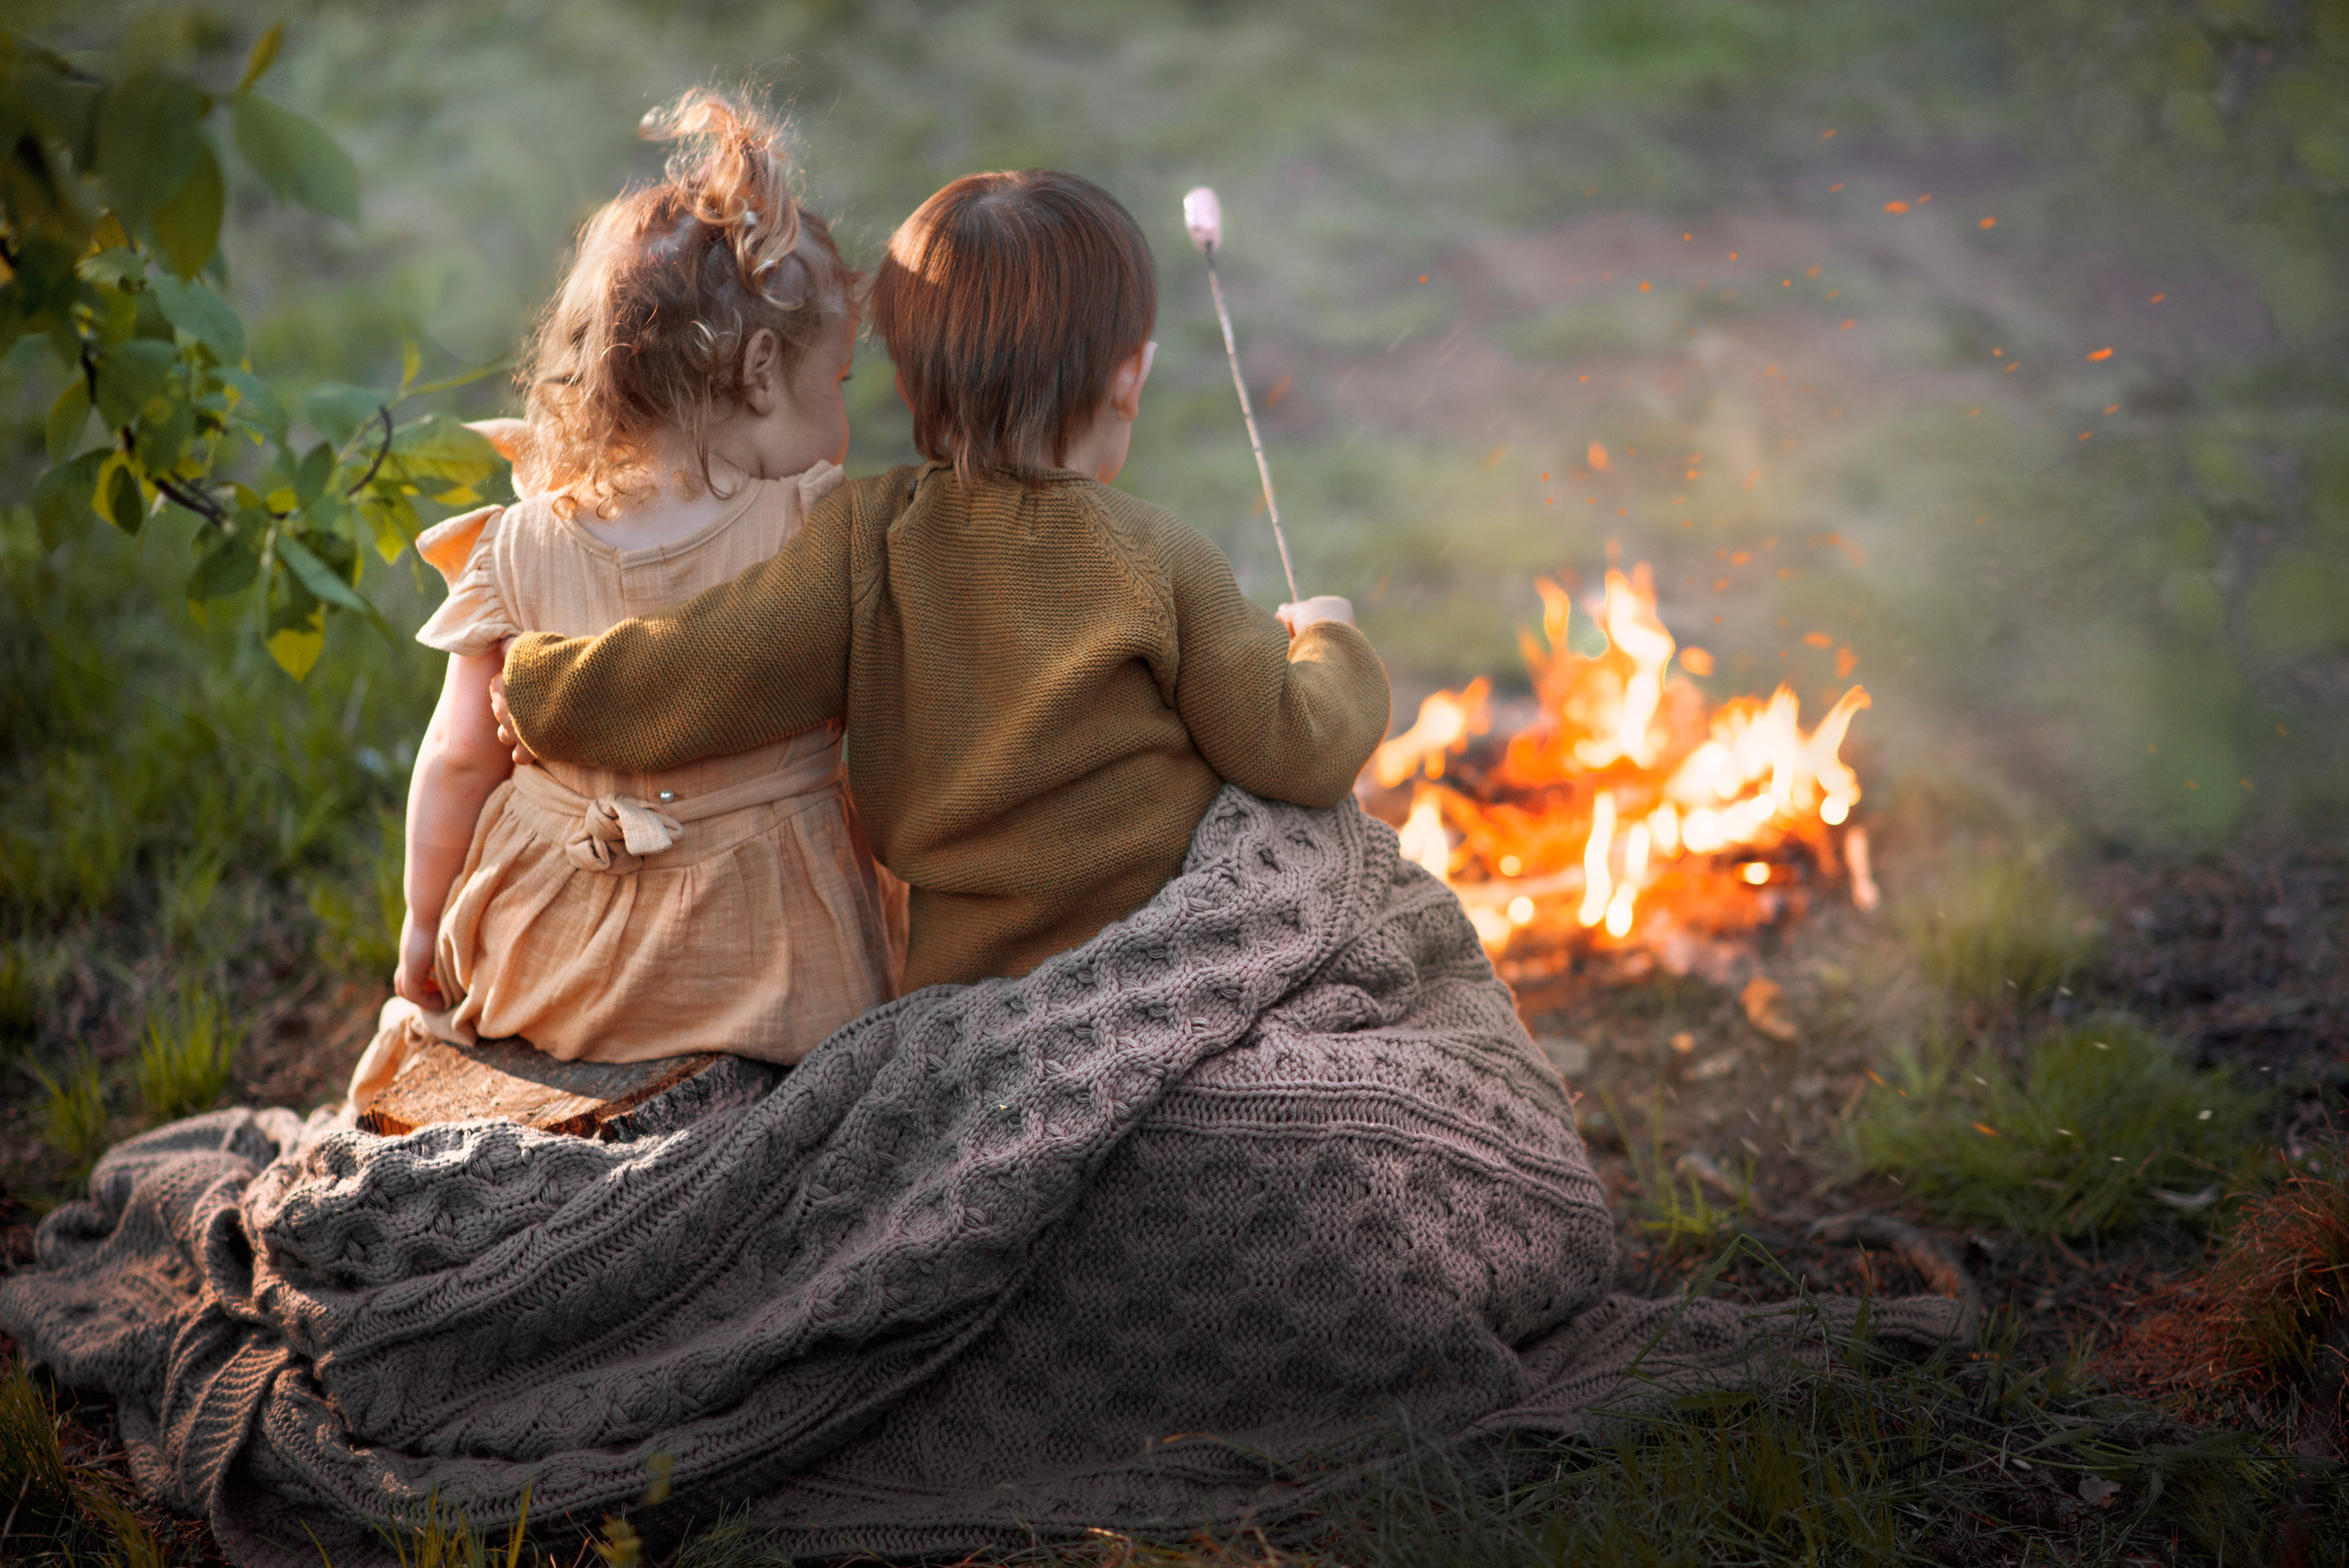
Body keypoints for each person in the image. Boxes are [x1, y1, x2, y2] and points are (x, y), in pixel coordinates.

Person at [495, 169, 1392, 995]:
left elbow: (713, 662)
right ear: (1131, 380)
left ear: (911, 391)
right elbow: (1300, 747)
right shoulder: (1162, 557)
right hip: (1161, 957)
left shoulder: (864, 539)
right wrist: (1331, 641)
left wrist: (544, 686)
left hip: (961, 988)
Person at [348, 91, 900, 1107]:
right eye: (839, 382)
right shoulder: (818, 525)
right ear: (763, 372)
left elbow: (459, 757)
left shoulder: (514, 547)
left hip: (554, 970)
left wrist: (422, 931)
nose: (845, 425)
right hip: (783, 970)